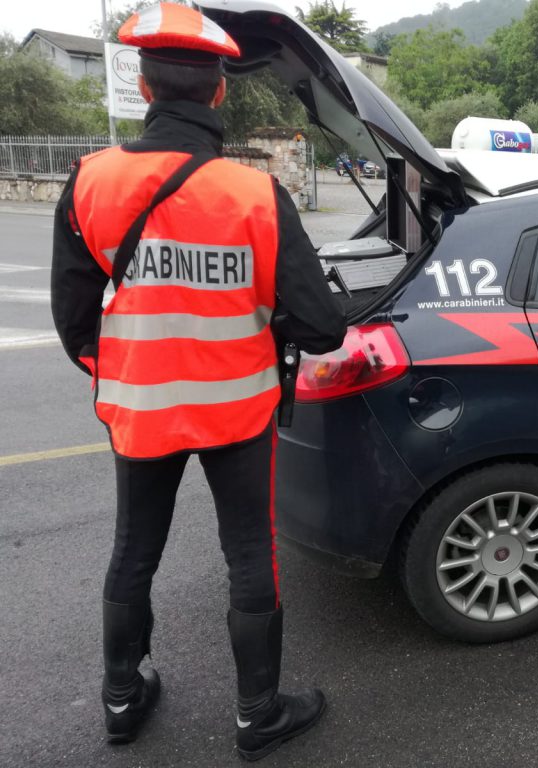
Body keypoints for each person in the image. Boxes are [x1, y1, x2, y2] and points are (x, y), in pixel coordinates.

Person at [50, 3, 347, 759]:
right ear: (219, 95)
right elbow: (322, 329)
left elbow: (74, 321)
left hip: (140, 410)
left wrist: (127, 365)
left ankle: (121, 700)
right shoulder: (253, 195)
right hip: (238, 413)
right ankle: (258, 715)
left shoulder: (90, 180)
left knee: (132, 551)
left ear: (145, 90)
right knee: (250, 554)